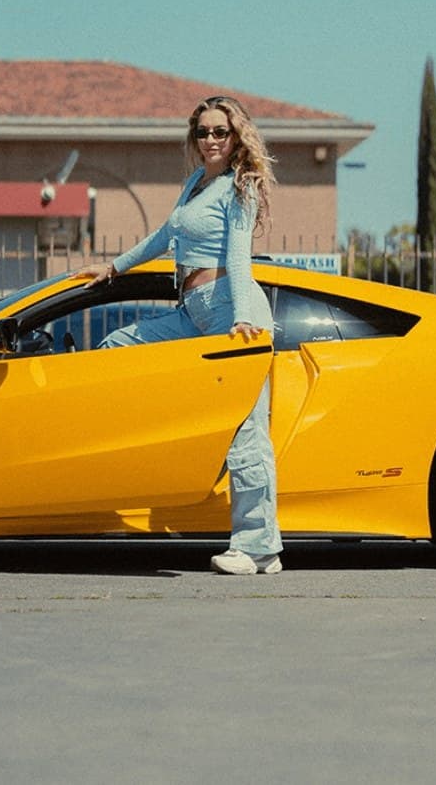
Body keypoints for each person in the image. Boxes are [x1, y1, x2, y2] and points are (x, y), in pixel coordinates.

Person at [73, 95, 282, 575]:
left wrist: (244, 317)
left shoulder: (239, 187)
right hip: (192, 313)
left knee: (246, 434)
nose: (210, 140)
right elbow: (163, 237)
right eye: (203, 132)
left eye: (220, 132)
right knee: (116, 347)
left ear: (236, 138)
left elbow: (238, 259)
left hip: (232, 311)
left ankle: (259, 548)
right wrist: (112, 268)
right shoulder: (194, 183)